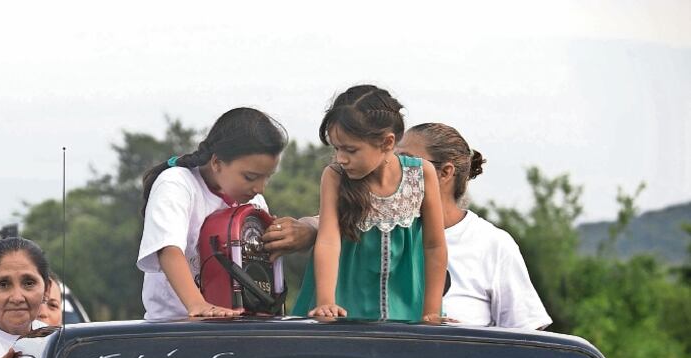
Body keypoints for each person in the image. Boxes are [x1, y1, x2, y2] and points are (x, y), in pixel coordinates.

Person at [293, 85, 447, 322]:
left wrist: (432, 311)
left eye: (351, 150)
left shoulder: (421, 174)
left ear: (387, 142)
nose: (341, 158)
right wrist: (326, 302)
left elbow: (434, 246)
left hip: (408, 303)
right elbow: (328, 241)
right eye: (337, 148)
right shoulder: (334, 177)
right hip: (345, 301)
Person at [136, 107, 296, 320]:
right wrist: (198, 305)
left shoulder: (255, 202)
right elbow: (168, 249)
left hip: (237, 324)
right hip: (175, 325)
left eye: (267, 177)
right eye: (250, 177)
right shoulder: (177, 184)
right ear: (217, 162)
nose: (260, 188)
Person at [397, 123, 552, 328]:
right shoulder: (379, 235)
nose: (392, 170)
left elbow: (527, 335)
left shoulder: (492, 244)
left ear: (445, 172)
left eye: (405, 161)